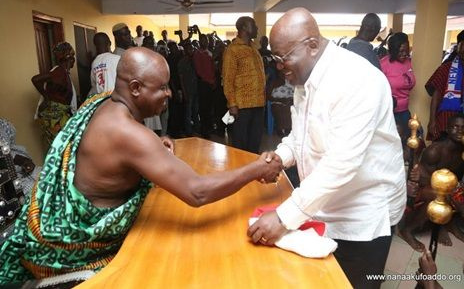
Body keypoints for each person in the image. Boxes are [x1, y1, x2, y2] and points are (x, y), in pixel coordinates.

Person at [0, 47, 282, 284]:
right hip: (71, 250)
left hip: (51, 231)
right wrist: (256, 169)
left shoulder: (100, 102)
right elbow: (197, 192)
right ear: (135, 88)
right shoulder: (129, 134)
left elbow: (119, 155)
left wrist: (153, 147)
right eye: (162, 87)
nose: (169, 94)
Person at [247, 8, 406, 289]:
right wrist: (280, 158)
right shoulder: (303, 79)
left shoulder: (357, 80)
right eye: (275, 58)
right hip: (321, 205)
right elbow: (302, 136)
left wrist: (284, 217)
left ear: (311, 45)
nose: (279, 66)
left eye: (283, 58)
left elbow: (341, 163)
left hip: (362, 215)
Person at [397, 114, 464, 251]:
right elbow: (423, 180)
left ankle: (448, 224)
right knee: (439, 195)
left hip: (448, 187)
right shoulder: (435, 151)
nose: (459, 131)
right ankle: (406, 230)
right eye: (455, 127)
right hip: (424, 189)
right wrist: (454, 201)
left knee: (462, 192)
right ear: (447, 129)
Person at [223, 16, 266, 153]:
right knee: (241, 145)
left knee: (255, 143)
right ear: (244, 28)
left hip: (259, 103)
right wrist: (232, 104)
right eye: (254, 24)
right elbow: (228, 79)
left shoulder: (254, 48)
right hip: (242, 105)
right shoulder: (233, 50)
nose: (257, 28)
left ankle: (253, 172)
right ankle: (240, 172)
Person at [426, 30, 464, 141]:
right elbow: (436, 96)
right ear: (457, 47)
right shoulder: (446, 68)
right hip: (446, 119)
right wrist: (432, 121)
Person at [32, 42, 78, 145]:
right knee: (63, 147)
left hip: (59, 115)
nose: (73, 62)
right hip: (56, 117)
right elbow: (35, 79)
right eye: (73, 58)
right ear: (70, 59)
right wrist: (46, 97)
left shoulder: (63, 72)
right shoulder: (59, 72)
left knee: (60, 147)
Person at [380, 32, 416, 138]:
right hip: (389, 112)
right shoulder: (383, 64)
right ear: (393, 50)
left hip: (405, 111)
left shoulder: (409, 62)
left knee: (405, 140)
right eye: (401, 51)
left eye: (407, 50)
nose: (404, 54)